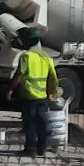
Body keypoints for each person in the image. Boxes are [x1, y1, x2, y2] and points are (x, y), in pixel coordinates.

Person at [7, 27, 58, 157]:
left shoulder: (26, 56)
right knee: (41, 122)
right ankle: (41, 148)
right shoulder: (46, 57)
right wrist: (52, 92)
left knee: (30, 123)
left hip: (29, 95)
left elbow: (20, 75)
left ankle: (30, 149)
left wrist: (11, 89)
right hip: (42, 96)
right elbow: (53, 76)